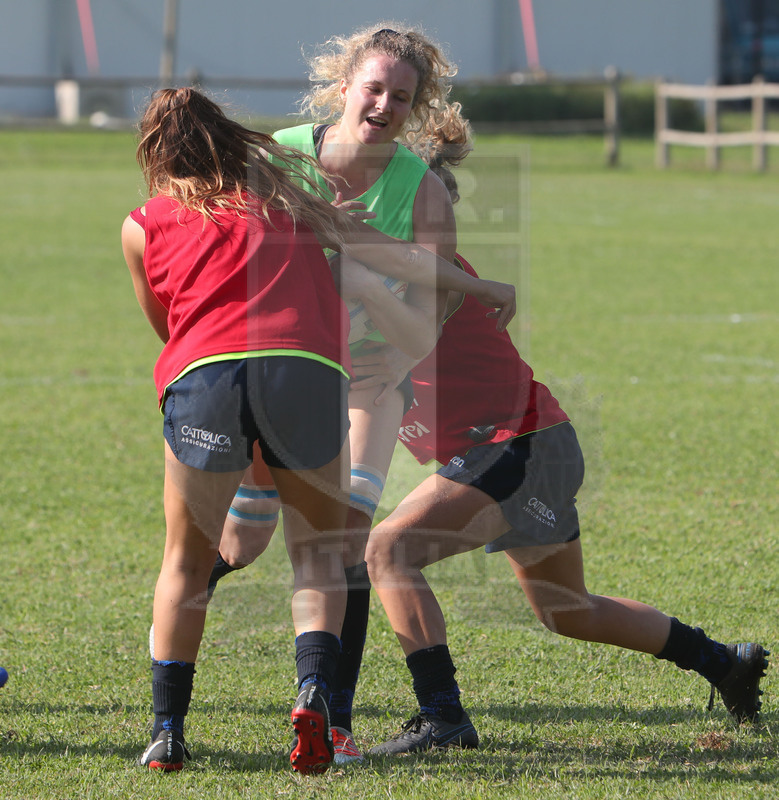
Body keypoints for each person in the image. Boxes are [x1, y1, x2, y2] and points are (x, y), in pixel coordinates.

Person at [129, 87, 513, 774]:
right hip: (308, 375)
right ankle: (315, 698)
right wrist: (482, 289)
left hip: (219, 376)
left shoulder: (145, 221)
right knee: (313, 554)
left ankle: (168, 730)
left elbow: (167, 322)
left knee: (188, 562)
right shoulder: (288, 187)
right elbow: (390, 259)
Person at [362, 168, 770, 755]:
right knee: (566, 610)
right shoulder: (376, 275)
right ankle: (724, 662)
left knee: (389, 549)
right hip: (531, 444)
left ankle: (443, 717)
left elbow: (400, 327)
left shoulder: (429, 280)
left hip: (515, 446)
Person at [206, 23, 483, 764]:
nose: (384, 104)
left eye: (401, 96)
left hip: (367, 383)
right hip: (275, 371)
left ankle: (331, 716)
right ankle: (172, 639)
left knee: (346, 543)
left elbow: (429, 327)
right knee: (238, 541)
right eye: (373, 88)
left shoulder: (421, 194)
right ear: (342, 87)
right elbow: (219, 261)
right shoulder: (279, 157)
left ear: (416, 108)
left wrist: (359, 276)